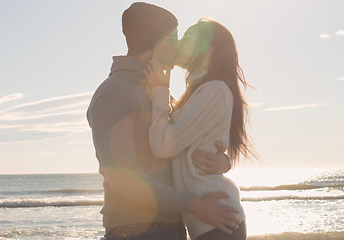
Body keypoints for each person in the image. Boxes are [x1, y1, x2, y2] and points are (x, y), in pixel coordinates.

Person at [86, 3, 241, 240]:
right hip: (135, 230)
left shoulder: (159, 90)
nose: (178, 45)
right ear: (155, 41)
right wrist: (195, 205)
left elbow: (182, 145)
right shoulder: (114, 93)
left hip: (171, 227)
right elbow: (124, 179)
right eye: (174, 37)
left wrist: (222, 161)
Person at [145, 18, 257, 240]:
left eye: (187, 38)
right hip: (209, 224)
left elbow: (162, 146)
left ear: (208, 48)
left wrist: (159, 90)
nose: (178, 43)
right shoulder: (198, 93)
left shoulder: (214, 91)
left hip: (219, 223)